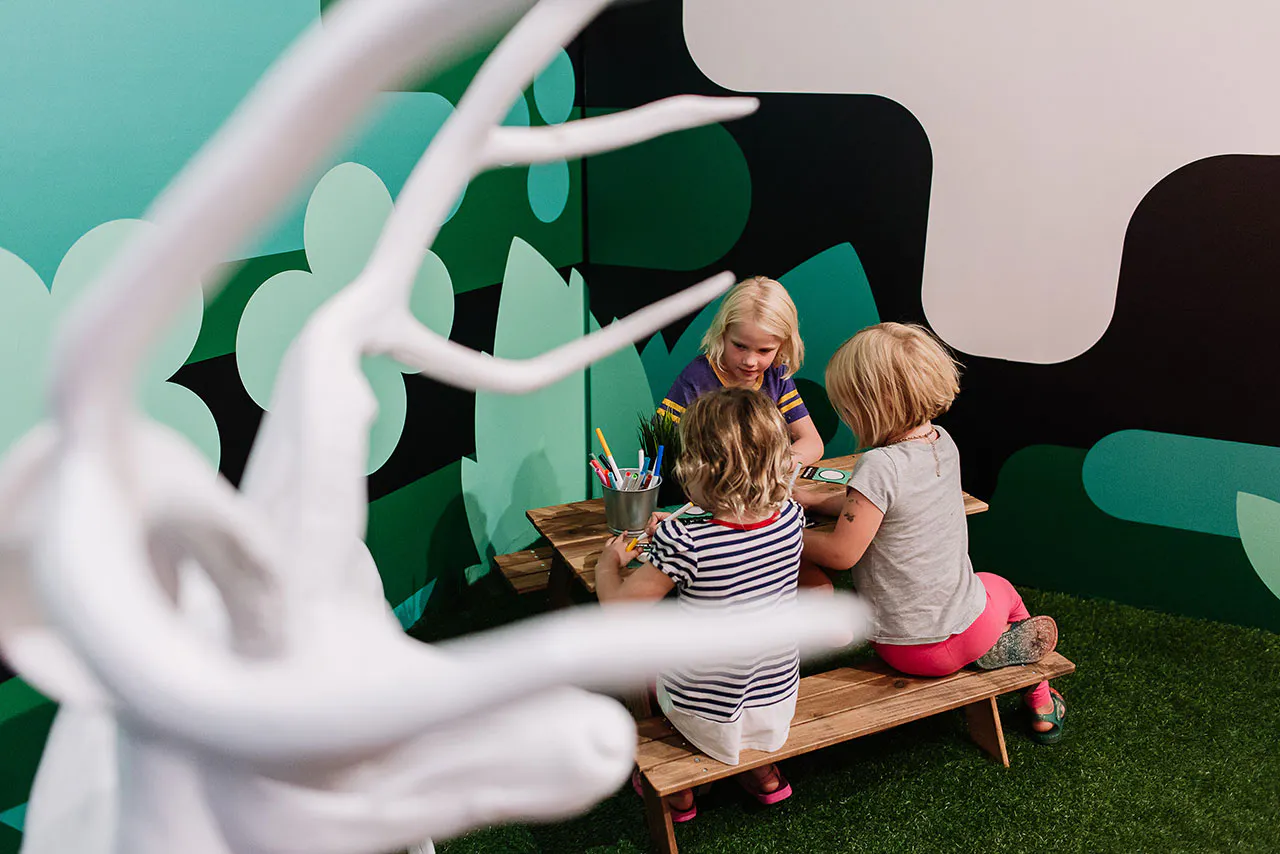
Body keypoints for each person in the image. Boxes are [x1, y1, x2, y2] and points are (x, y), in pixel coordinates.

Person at [797, 322, 1066, 743]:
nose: (846, 417)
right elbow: (884, 508)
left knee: (980, 593)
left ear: (876, 404)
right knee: (1002, 589)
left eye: (848, 408)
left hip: (906, 649)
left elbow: (841, 553)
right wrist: (817, 502)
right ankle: (1041, 699)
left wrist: (783, 532)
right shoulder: (943, 442)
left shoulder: (879, 466)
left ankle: (1002, 660)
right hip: (971, 627)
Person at [597, 388, 807, 820]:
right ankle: (764, 774)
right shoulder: (790, 516)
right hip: (777, 701)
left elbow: (618, 607)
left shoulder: (685, 540)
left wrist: (609, 562)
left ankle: (680, 793)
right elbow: (735, 531)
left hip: (706, 710)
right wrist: (679, 522)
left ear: (698, 466)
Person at [656, 276, 824, 465]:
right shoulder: (697, 378)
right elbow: (660, 447)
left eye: (764, 350)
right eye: (740, 346)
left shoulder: (776, 374)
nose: (750, 361)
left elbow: (813, 443)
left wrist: (770, 468)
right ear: (723, 333)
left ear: (782, 345)